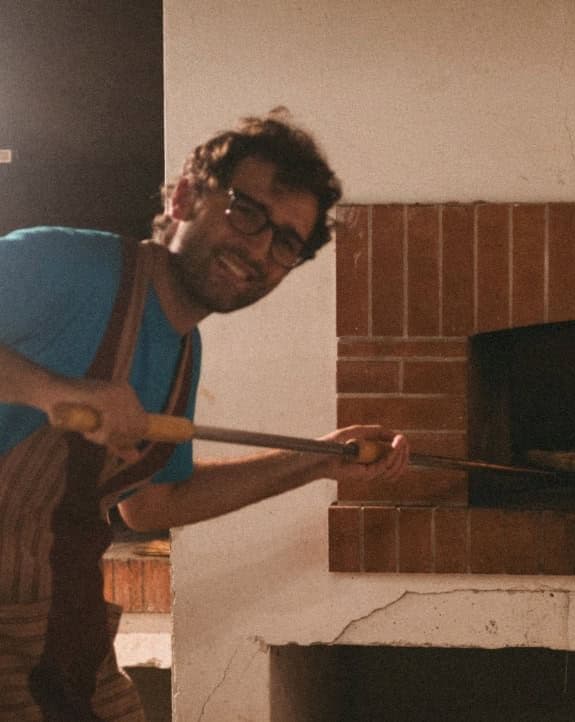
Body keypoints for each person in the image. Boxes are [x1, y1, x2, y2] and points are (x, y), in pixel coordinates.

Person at [0, 110, 409, 721]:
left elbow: (156, 503)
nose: (260, 250)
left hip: (53, 624)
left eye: (286, 243)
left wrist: (317, 462)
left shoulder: (182, 354)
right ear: (187, 195)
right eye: (247, 213)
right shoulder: (67, 266)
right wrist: (52, 390)